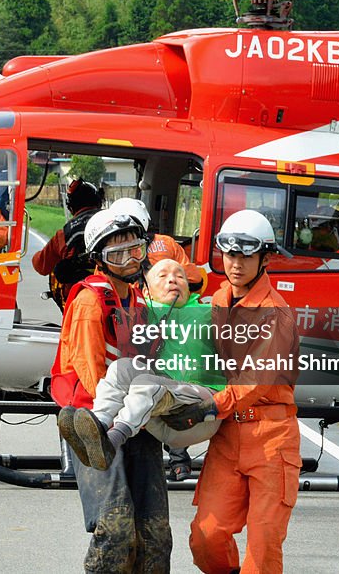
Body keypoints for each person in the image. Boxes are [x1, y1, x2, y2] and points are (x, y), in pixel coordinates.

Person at [49, 209, 171, 573]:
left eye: (135, 250)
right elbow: (91, 374)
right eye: (117, 254)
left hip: (137, 423)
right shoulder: (90, 302)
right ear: (98, 260)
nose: (129, 260)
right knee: (116, 527)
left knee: (154, 534)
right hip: (96, 426)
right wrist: (124, 416)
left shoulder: (139, 302)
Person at [186, 209, 301, 574]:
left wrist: (206, 406)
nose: (235, 264)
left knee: (263, 546)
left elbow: (254, 380)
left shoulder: (276, 315)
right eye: (230, 254)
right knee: (207, 536)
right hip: (227, 433)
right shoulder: (218, 301)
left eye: (246, 255)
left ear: (265, 257)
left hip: (271, 438)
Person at [57, 258, 226, 473]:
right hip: (158, 413)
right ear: (146, 291)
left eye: (180, 276)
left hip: (199, 410)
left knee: (145, 382)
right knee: (123, 367)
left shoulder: (208, 313)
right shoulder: (143, 315)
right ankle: (97, 427)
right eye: (162, 276)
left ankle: (112, 441)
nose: (173, 280)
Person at [108, 197, 204, 479]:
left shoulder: (152, 247)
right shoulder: (166, 243)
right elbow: (194, 274)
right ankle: (177, 457)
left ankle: (174, 454)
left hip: (149, 314)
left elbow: (192, 276)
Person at [32, 179, 104, 310]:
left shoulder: (65, 233)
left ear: (70, 206)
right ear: (99, 201)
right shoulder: (112, 223)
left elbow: (41, 266)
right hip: (116, 295)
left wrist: (37, 255)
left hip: (77, 299)